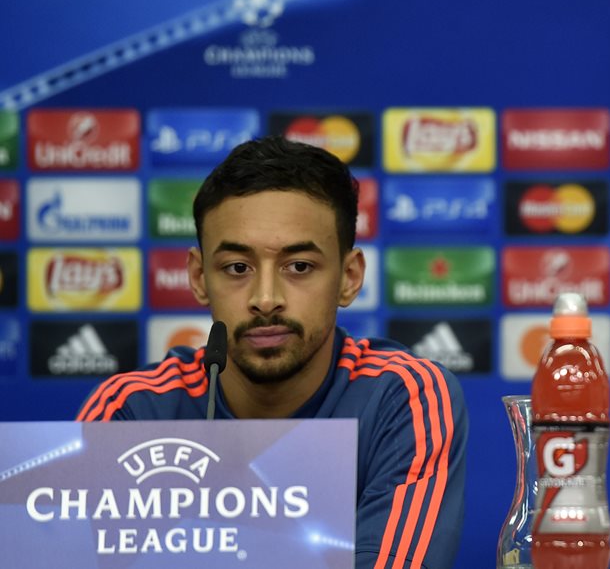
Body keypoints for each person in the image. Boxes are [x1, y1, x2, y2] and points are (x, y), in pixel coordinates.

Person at [78, 136, 468, 569]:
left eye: (299, 266)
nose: (265, 298)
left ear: (349, 277)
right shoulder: (131, 412)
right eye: (237, 268)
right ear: (199, 277)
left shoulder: (403, 396)